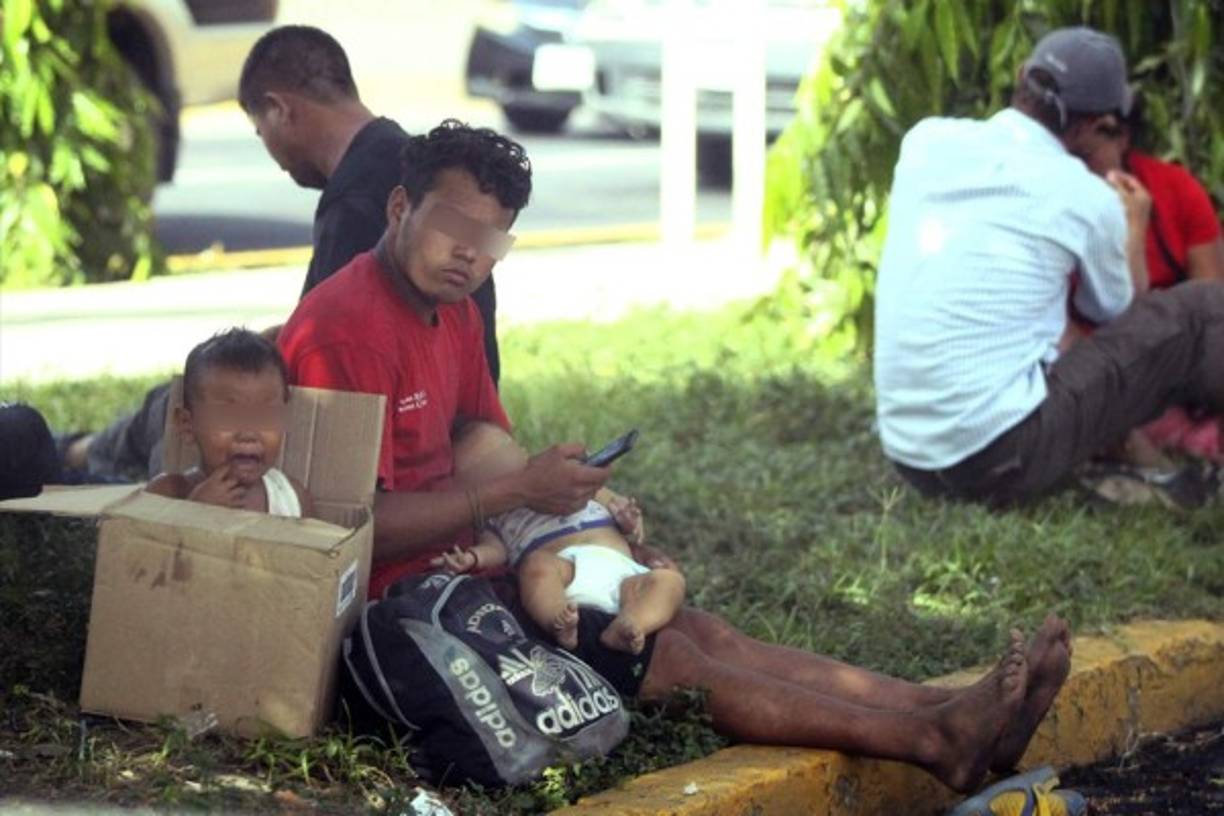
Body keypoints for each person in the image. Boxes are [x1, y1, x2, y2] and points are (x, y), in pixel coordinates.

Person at [281, 120, 1070, 795]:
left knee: (704, 629)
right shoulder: (344, 330)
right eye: (454, 225)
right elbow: (341, 532)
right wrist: (518, 492)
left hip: (477, 566)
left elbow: (486, 452)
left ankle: (946, 711)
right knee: (676, 659)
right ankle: (934, 741)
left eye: (492, 240)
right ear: (399, 207)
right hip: (405, 614)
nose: (469, 254)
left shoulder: (449, 308)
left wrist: (583, 517)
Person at [60, 24, 500, 483]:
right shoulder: (411, 160)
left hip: (397, 428)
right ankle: (80, 451)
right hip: (455, 403)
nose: (271, 152)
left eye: (259, 130)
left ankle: (78, 461)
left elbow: (333, 350)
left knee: (189, 402)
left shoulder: (356, 204)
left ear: (279, 109)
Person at [873, 26, 1224, 507]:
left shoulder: (926, 140)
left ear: (1022, 75)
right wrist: (1134, 229)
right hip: (1001, 457)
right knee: (1203, 309)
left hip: (911, 458)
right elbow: (1119, 317)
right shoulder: (1085, 195)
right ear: (1097, 122)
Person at [430, 433, 685, 655]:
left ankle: (632, 623)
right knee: (536, 566)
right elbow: (494, 550)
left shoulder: (575, 485)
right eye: (487, 468)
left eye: (506, 454)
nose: (503, 468)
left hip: (624, 575)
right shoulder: (497, 519)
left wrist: (628, 519)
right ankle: (558, 620)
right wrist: (471, 558)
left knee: (669, 580)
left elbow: (619, 508)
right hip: (566, 575)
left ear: (525, 455)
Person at [145, 328, 314, 518]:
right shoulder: (167, 494)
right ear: (187, 425)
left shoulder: (293, 500)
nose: (248, 433)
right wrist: (194, 513)